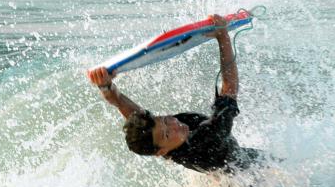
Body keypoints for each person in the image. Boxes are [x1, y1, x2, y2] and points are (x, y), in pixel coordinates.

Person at [87, 14, 264, 175]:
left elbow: (119, 102)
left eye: (165, 120)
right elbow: (230, 88)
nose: (174, 126)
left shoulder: (157, 139)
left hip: (222, 168)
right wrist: (223, 36)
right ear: (162, 152)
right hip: (245, 174)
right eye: (166, 134)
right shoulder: (208, 139)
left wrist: (105, 85)